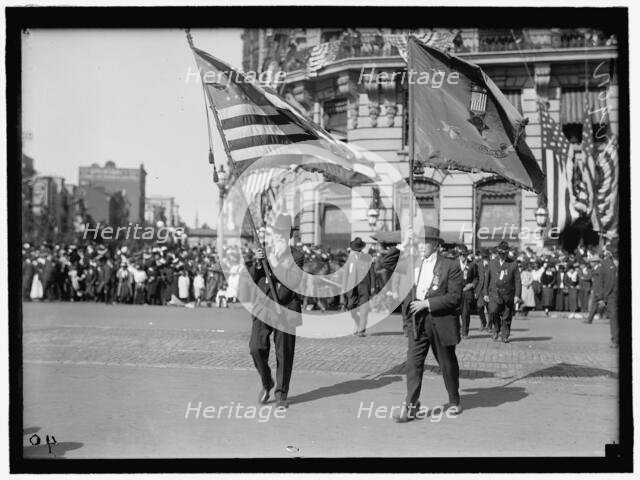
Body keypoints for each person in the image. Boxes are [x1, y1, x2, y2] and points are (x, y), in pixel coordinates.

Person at [391, 226, 463, 423]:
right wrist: (404, 244)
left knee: (447, 364)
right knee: (413, 365)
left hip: (440, 321)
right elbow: (386, 263)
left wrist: (427, 303)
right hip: (417, 322)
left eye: (426, 243)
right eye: (419, 242)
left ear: (436, 245)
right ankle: (411, 407)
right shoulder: (412, 262)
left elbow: (455, 297)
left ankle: (454, 399)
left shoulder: (451, 265)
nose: (421, 247)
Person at [249, 214, 304, 409]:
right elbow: (253, 277)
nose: (279, 237)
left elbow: (292, 282)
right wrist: (257, 263)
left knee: (284, 353)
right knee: (256, 347)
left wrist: (273, 261)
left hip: (286, 309)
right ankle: (267, 382)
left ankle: (281, 394)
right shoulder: (265, 252)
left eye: (283, 234)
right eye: (277, 233)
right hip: (264, 308)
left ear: (289, 236)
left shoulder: (297, 256)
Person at [483, 240, 521, 343]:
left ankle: (505, 335)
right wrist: (485, 293)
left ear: (507, 253)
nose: (502, 256)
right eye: (500, 253)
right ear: (498, 253)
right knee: (493, 311)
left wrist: (517, 295)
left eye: (504, 254)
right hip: (494, 294)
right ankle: (496, 328)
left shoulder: (513, 264)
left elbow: (517, 280)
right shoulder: (491, 263)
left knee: (506, 316)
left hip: (508, 294)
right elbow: (486, 279)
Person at [341, 237, 376, 337]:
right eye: (356, 250)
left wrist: (373, 287)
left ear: (361, 249)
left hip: (365, 286)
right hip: (352, 287)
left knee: (364, 309)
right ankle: (357, 321)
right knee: (350, 306)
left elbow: (373, 274)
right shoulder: (350, 259)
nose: (357, 251)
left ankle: (361, 330)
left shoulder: (368, 258)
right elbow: (345, 274)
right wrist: (343, 287)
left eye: (359, 249)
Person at [594, 244, 619, 348]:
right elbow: (599, 282)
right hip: (612, 294)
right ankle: (616, 340)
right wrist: (600, 298)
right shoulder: (604, 264)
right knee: (614, 316)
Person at [457, 245, 480, 338]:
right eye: (460, 254)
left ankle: (465, 332)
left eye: (464, 255)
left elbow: (477, 278)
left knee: (465, 313)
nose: (462, 256)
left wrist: (472, 285)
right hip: (456, 291)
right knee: (455, 313)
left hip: (467, 292)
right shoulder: (454, 264)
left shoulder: (472, 264)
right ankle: (456, 330)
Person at [474, 250, 490, 331]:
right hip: (480, 289)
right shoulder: (478, 264)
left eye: (486, 257)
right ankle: (483, 322)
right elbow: (476, 277)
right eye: (483, 257)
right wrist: (476, 291)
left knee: (490, 309)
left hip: (488, 290)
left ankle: (489, 326)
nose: (484, 258)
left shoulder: (491, 264)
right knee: (479, 307)